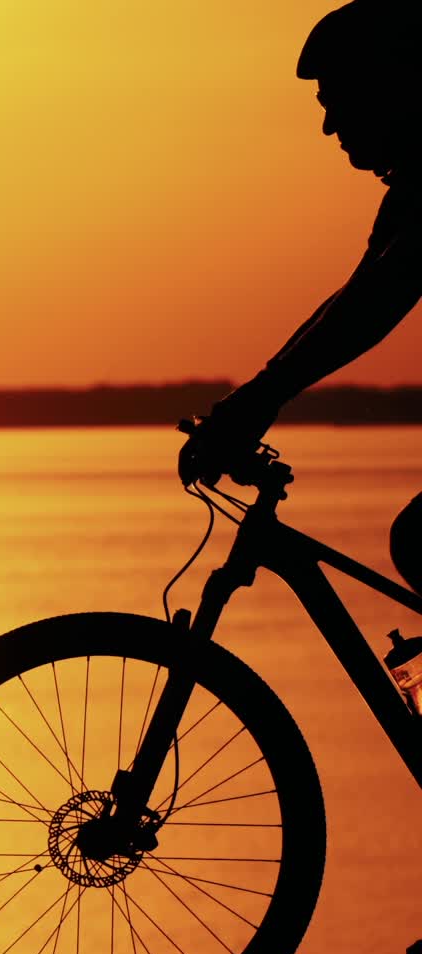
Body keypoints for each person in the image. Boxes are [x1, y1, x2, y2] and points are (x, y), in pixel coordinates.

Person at [186, 1, 422, 589]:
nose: (329, 126)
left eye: (335, 101)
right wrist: (257, 395)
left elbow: (377, 301)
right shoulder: (407, 196)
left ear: (385, 88)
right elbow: (352, 298)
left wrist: (259, 400)